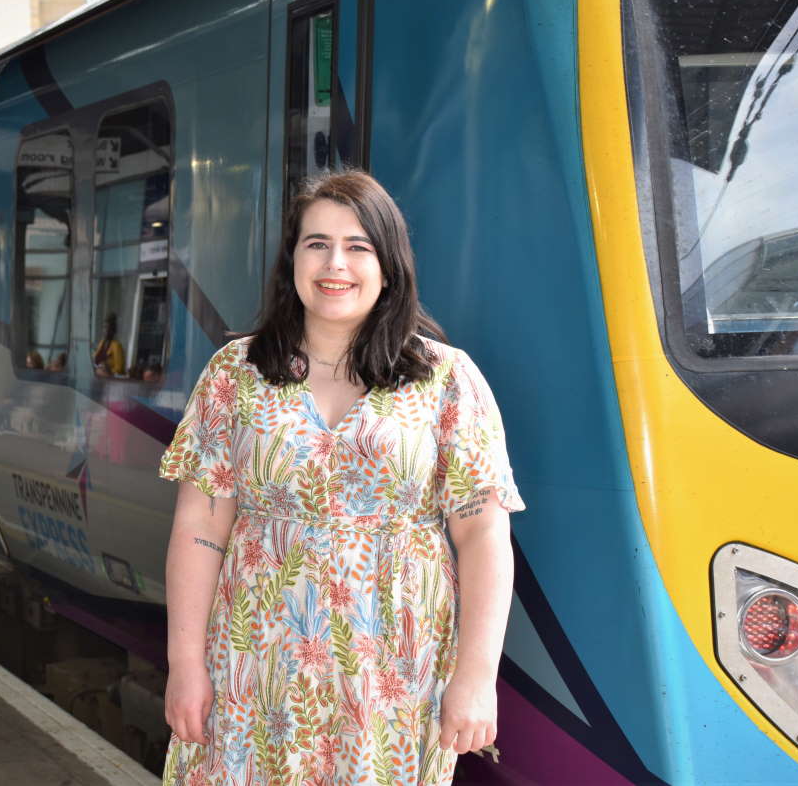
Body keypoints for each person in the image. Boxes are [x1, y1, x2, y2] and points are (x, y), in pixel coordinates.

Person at [159, 170, 524, 785]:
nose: (336, 264)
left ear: (388, 266)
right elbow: (200, 526)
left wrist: (476, 676)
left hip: (393, 679)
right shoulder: (235, 374)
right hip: (253, 668)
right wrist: (184, 663)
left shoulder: (447, 380)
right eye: (316, 243)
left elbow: (483, 536)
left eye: (358, 246)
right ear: (292, 261)